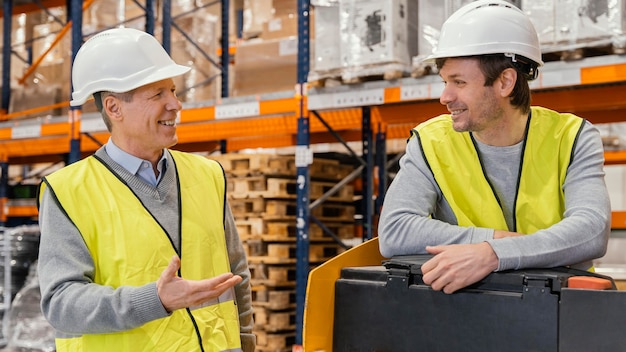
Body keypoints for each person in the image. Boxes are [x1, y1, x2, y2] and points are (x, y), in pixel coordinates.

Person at [37, 27, 255, 351]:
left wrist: (248, 344)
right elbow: (61, 303)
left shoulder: (208, 175)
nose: (175, 104)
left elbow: (236, 275)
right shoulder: (68, 191)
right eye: (158, 95)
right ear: (114, 108)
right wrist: (154, 299)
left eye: (173, 90)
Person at [378, 0, 611, 294]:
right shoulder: (430, 143)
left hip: (560, 314)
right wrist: (497, 239)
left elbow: (591, 230)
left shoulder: (573, 137)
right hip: (473, 313)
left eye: (459, 82)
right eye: (445, 81)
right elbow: (395, 230)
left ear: (505, 82)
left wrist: (492, 254)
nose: (445, 96)